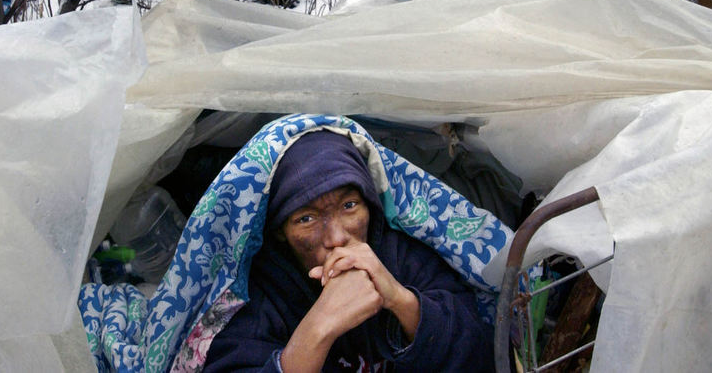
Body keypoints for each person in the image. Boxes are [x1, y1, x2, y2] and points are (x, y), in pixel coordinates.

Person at [203, 129, 496, 372]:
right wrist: (319, 327)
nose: (337, 237)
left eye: (349, 206)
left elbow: (479, 354)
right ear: (280, 230)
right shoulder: (260, 296)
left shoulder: (402, 257)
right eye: (306, 219)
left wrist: (399, 299)